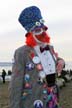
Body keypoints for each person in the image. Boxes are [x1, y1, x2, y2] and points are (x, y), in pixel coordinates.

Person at [9, 6, 65, 108]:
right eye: (39, 30)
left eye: (44, 29)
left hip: (53, 98)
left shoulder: (50, 48)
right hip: (34, 102)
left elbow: (55, 60)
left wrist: (61, 61)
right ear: (30, 34)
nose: (43, 33)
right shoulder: (21, 52)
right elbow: (15, 85)